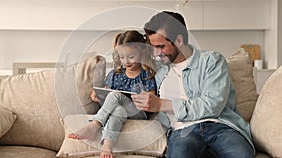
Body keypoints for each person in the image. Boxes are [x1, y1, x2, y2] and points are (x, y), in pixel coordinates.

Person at [131, 11, 255, 158]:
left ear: (178, 40)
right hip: (182, 132)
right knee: (180, 152)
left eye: (161, 46)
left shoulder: (211, 61)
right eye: (153, 47)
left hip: (220, 127)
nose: (157, 53)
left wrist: (162, 104)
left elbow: (212, 105)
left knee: (240, 155)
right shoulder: (157, 71)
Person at [68, 30, 157, 158]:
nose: (126, 61)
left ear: (142, 52)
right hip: (122, 111)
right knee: (119, 110)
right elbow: (107, 94)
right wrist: (98, 96)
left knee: (116, 95)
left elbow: (151, 100)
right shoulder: (116, 74)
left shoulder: (146, 74)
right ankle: (107, 145)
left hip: (138, 112)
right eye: (122, 57)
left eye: (131, 57)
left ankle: (94, 124)